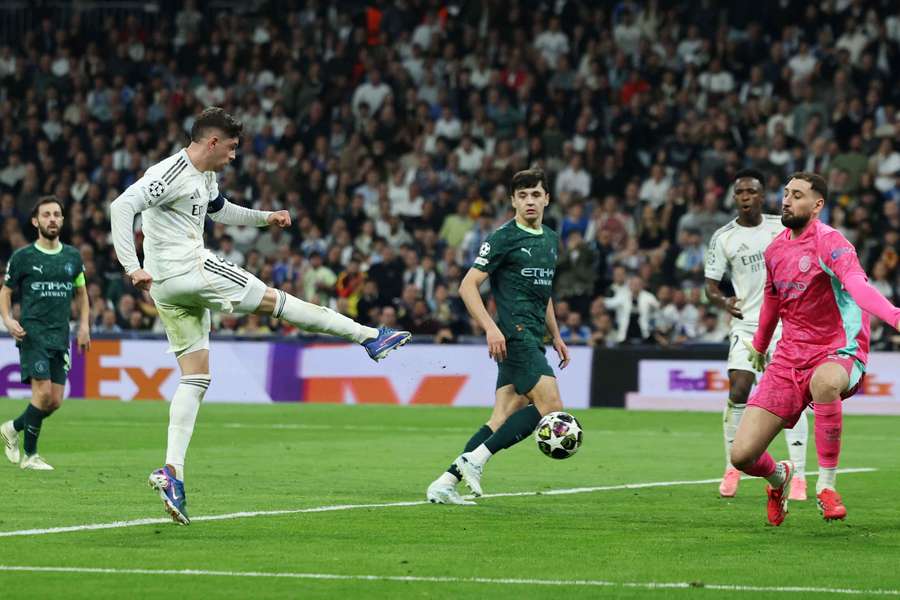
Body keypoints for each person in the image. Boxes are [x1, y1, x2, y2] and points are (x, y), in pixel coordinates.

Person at [110, 107, 410, 525]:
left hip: (166, 288)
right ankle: (367, 336)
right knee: (279, 302)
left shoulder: (203, 176)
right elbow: (122, 206)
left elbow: (219, 210)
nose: (234, 156)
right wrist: (130, 265)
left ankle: (172, 471)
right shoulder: (170, 171)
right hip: (189, 271)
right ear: (212, 142)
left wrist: (264, 218)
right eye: (231, 148)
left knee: (195, 377)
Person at [730, 172, 900, 526]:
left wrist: (895, 317)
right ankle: (780, 477)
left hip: (838, 350)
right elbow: (771, 306)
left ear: (817, 205)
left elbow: (858, 288)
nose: (786, 200)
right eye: (786, 194)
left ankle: (826, 486)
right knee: (742, 455)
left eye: (797, 195)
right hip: (790, 356)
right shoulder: (775, 249)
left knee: (824, 383)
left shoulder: (830, 242)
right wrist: (760, 347)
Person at [426, 168, 570, 504]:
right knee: (552, 409)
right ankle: (474, 460)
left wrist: (557, 335)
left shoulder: (550, 238)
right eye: (522, 195)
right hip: (514, 336)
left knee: (501, 417)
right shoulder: (504, 237)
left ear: (547, 198)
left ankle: (444, 483)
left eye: (535, 194)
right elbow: (467, 285)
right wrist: (492, 327)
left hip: (534, 338)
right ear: (513, 201)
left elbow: (543, 292)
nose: (529, 201)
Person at [705, 169, 810, 501]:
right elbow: (710, 286)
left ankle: (799, 476)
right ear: (735, 198)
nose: (746, 197)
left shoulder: (781, 227)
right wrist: (723, 300)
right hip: (747, 324)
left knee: (794, 399)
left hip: (787, 325)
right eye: (740, 193)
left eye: (752, 191)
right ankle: (732, 466)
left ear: (762, 196)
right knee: (739, 388)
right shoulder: (724, 237)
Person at [1, 196, 91, 470]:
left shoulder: (73, 257)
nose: (52, 219)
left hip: (60, 335)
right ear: (35, 221)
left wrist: (84, 326)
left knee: (54, 402)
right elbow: (5, 291)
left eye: (56, 214)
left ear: (62, 220)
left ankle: (11, 428)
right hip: (33, 334)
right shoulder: (23, 257)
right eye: (46, 215)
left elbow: (82, 294)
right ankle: (30, 456)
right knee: (41, 396)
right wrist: (7, 319)